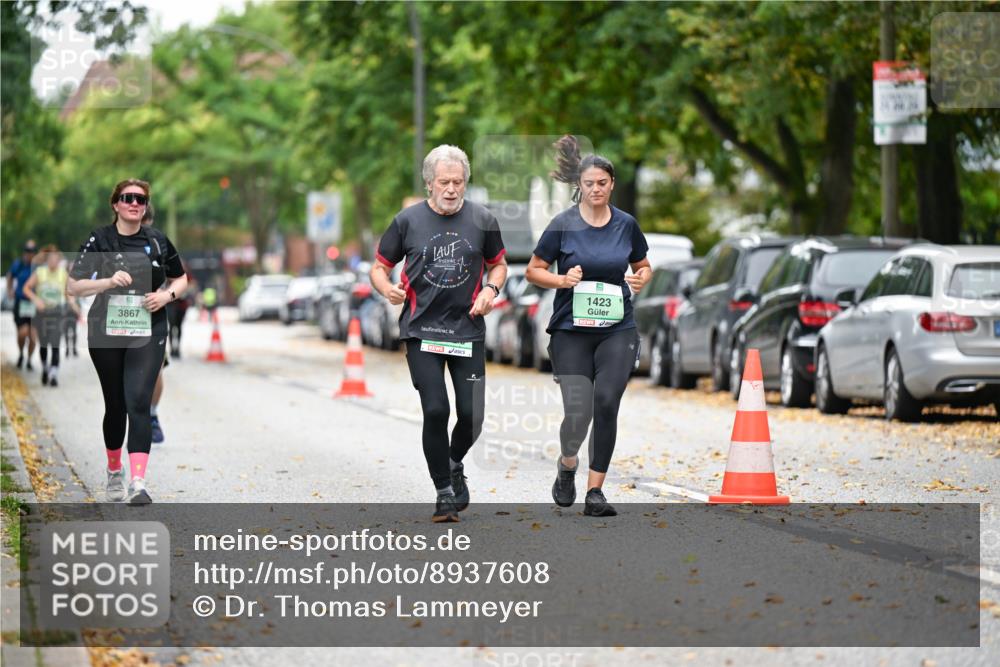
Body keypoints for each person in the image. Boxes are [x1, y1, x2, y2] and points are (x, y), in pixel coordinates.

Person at [370, 145, 507, 523]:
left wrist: (490, 291)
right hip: (422, 331)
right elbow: (379, 267)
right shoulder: (407, 221)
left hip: (467, 330)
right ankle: (444, 492)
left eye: (458, 182)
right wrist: (387, 290)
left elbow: (499, 266)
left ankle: (452, 461)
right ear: (429, 183)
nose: (451, 189)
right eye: (444, 182)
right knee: (436, 409)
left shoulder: (482, 219)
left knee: (472, 415)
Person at [525, 135, 651, 517]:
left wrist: (641, 279)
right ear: (578, 186)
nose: (595, 189)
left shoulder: (626, 225)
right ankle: (567, 464)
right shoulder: (563, 225)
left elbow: (642, 266)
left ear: (611, 184)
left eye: (602, 183)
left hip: (616, 328)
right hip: (571, 331)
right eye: (588, 184)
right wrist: (562, 281)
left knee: (607, 402)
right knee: (579, 412)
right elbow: (534, 270)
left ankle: (595, 492)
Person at [66, 179, 188, 505]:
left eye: (141, 199)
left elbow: (182, 277)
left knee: (138, 401)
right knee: (116, 405)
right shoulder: (100, 239)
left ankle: (138, 482)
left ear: (146, 206)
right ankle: (113, 469)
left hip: (148, 328)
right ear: (116, 204)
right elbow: (74, 286)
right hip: (106, 329)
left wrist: (165, 296)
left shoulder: (158, 240)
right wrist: (106, 281)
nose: (134, 203)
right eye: (128, 198)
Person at [22, 245, 69, 387]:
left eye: (56, 259)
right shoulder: (40, 272)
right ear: (47, 260)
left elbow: (68, 293)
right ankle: (45, 368)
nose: (53, 261)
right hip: (42, 313)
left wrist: (72, 305)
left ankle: (53, 374)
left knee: (55, 343)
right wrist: (36, 300)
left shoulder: (63, 273)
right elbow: (26, 288)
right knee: (43, 344)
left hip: (57, 313)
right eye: (51, 259)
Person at [6, 240, 39, 370]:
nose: (29, 253)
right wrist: (9, 290)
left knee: (32, 337)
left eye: (31, 251)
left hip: (34, 303)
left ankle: (29, 359)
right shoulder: (18, 264)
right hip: (21, 303)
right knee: (22, 333)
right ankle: (21, 354)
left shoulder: (38, 267)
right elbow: (10, 276)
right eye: (27, 250)